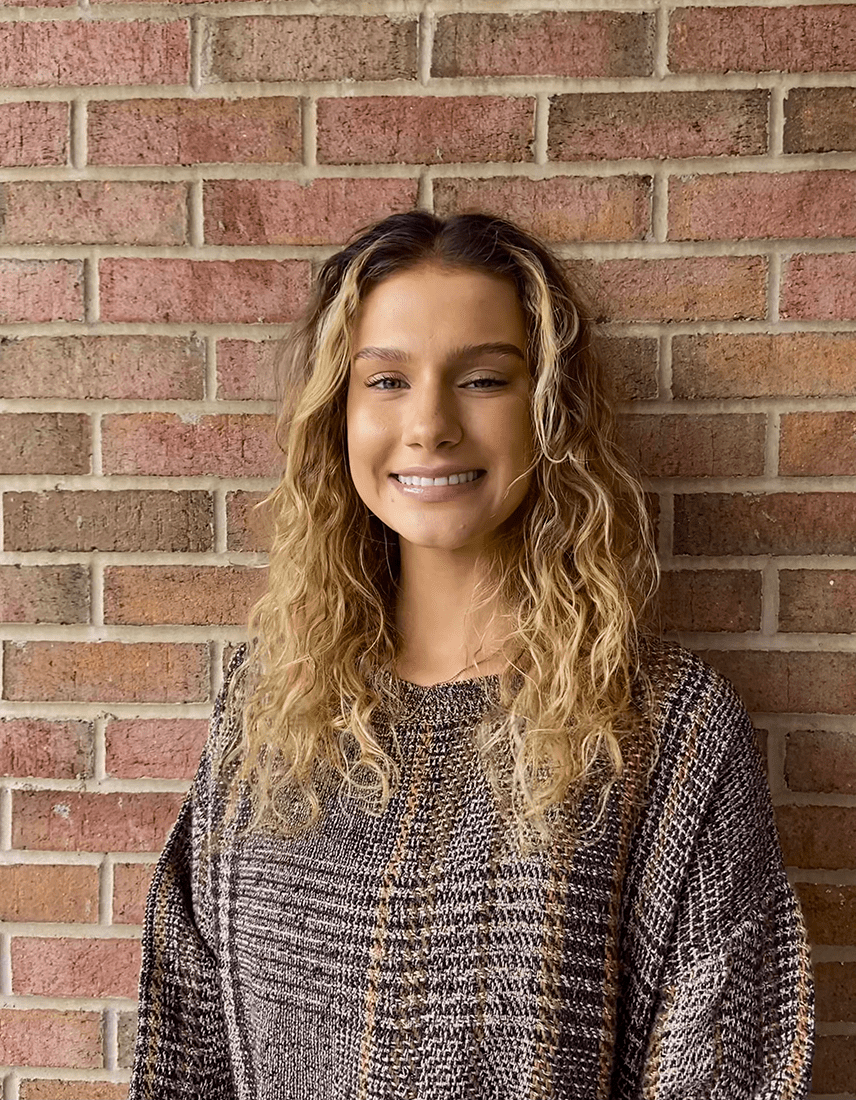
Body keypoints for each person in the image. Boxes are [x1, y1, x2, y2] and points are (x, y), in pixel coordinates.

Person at [128, 211, 814, 1099]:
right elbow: (189, 1041)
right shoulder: (268, 706)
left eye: (484, 378)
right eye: (385, 380)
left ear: (547, 408)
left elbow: (729, 1070)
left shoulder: (670, 731)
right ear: (337, 412)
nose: (430, 425)